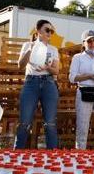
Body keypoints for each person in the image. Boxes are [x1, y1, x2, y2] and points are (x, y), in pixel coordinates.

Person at [14, 20, 60, 149]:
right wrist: (31, 50)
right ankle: (18, 153)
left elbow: (56, 71)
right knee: (24, 122)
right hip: (31, 83)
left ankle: (52, 154)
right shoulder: (28, 45)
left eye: (51, 31)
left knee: (50, 122)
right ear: (38, 31)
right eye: (47, 30)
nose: (50, 33)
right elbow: (20, 66)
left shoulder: (53, 49)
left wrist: (47, 67)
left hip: (49, 83)